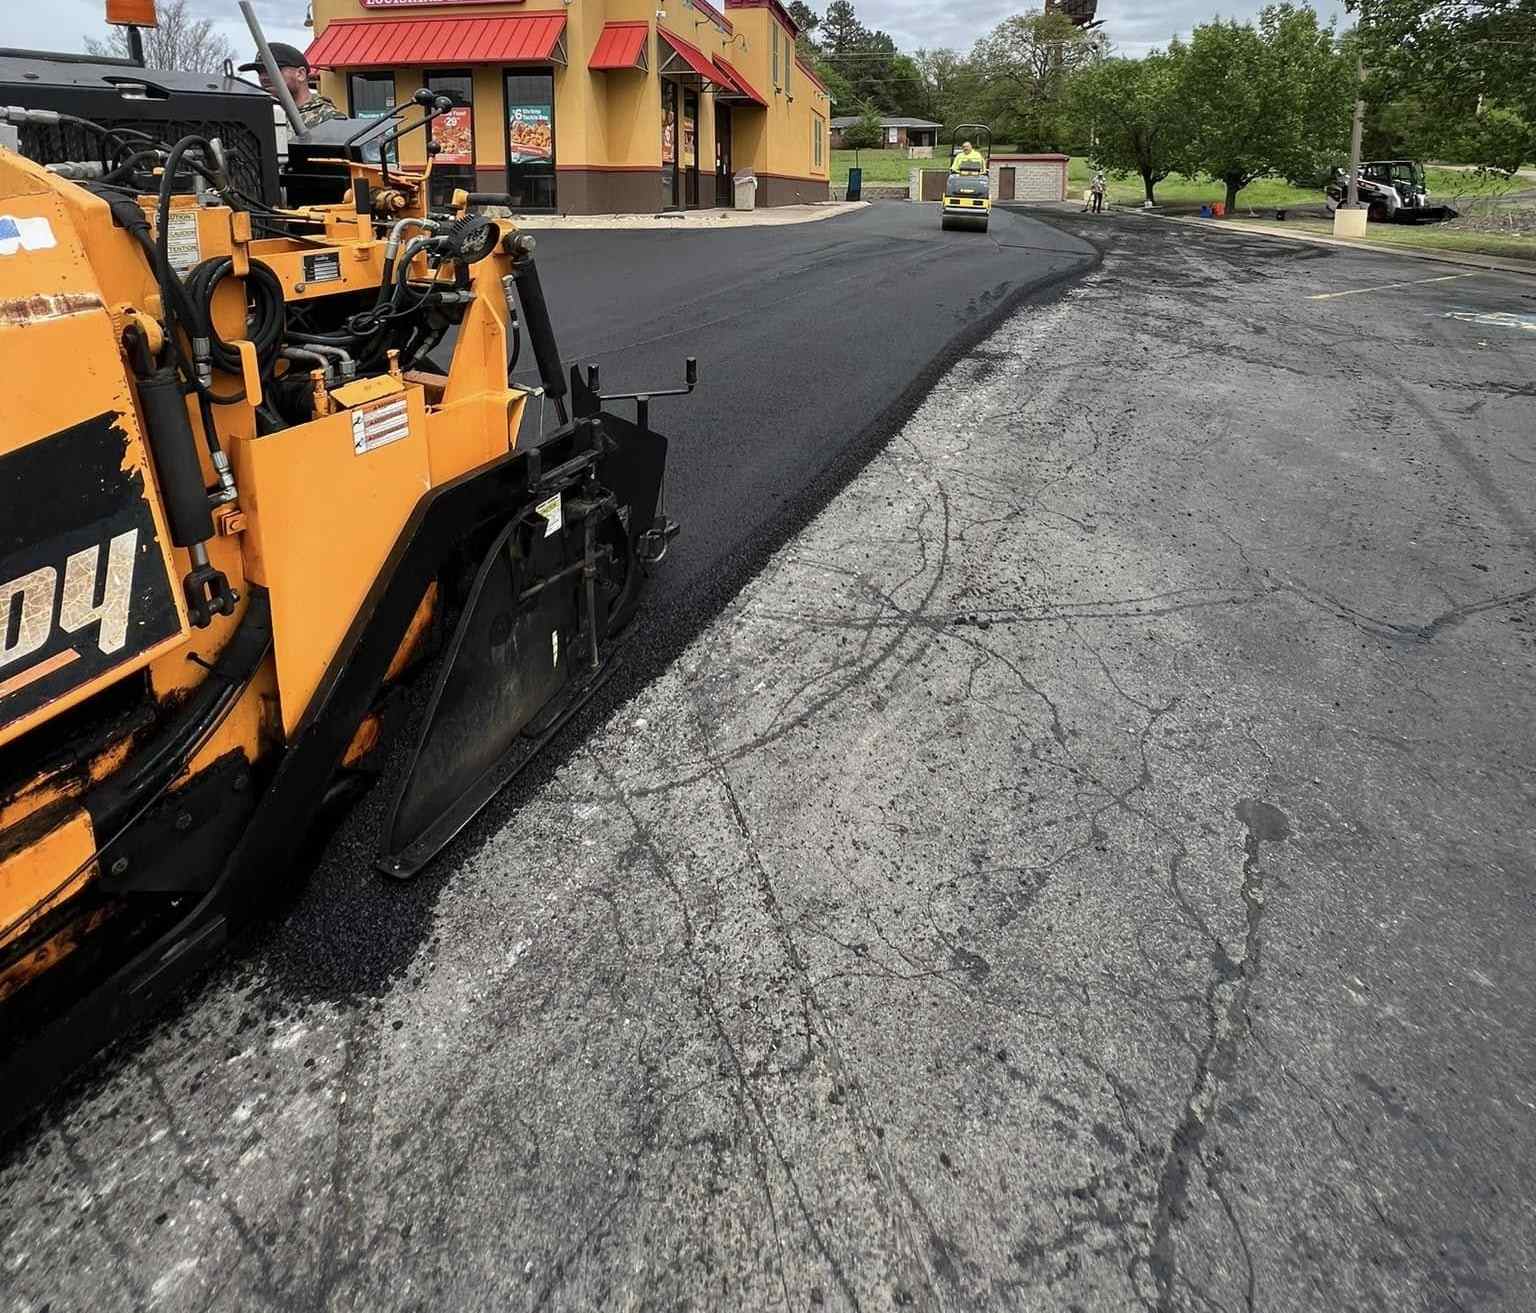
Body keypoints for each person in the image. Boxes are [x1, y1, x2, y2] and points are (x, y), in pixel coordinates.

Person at [240, 43, 342, 130]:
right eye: (260, 72)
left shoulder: (330, 119)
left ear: (300, 74)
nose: (263, 77)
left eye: (272, 70)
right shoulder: (263, 118)